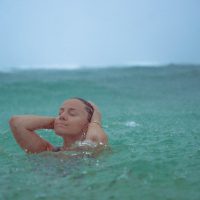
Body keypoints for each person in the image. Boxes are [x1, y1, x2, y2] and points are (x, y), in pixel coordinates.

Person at [9, 97, 108, 154]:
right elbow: (16, 123)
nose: (62, 116)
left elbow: (96, 139)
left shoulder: (90, 151)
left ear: (88, 125)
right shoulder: (48, 152)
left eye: (72, 114)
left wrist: (96, 119)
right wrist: (56, 122)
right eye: (60, 113)